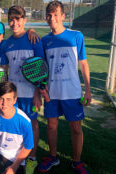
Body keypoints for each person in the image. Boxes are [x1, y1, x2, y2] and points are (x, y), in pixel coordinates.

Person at [36, 1, 91, 174]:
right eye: (49, 15)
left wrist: (88, 90)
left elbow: (83, 64)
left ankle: (77, 161)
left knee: (76, 128)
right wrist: (42, 88)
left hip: (72, 92)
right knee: (52, 126)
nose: (52, 18)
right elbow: (41, 67)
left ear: (63, 16)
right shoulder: (44, 41)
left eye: (55, 15)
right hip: (52, 93)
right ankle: (53, 157)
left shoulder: (76, 36)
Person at [0, 5, 45, 174]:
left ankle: (32, 158)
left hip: (30, 94)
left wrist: (37, 95)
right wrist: (4, 93)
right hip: (13, 95)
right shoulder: (6, 44)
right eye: (11, 19)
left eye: (17, 19)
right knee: (15, 125)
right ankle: (17, 157)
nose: (14, 22)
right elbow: (4, 70)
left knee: (32, 125)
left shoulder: (34, 40)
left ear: (24, 20)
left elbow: (40, 69)